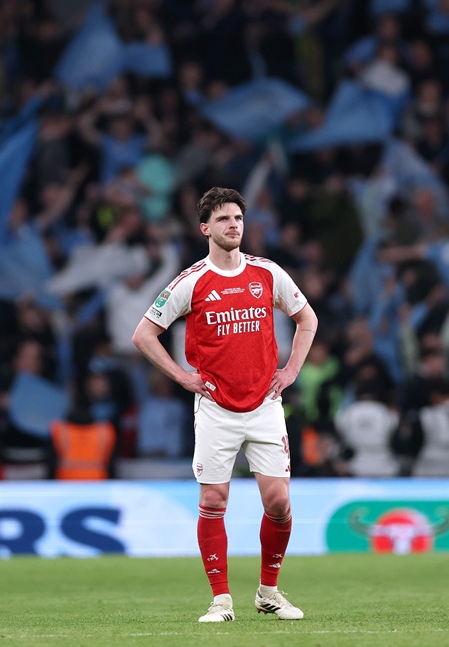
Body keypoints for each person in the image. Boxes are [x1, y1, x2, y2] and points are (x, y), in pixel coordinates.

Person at [132, 187, 317, 623]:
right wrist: (182, 376)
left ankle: (268, 592)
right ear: (205, 228)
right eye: (223, 220)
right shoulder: (191, 281)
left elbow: (307, 319)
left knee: (279, 503)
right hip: (216, 407)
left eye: (237, 218)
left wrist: (290, 372)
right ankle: (221, 600)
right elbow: (143, 334)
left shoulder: (268, 273)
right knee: (214, 500)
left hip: (265, 404)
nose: (233, 225)